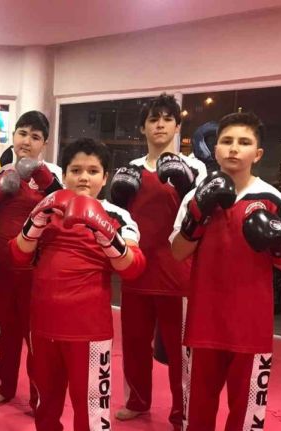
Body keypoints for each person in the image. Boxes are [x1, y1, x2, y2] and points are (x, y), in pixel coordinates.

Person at [170, 112, 281, 431]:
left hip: (252, 323)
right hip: (204, 319)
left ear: (258, 153)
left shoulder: (272, 198)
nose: (234, 148)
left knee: (247, 411)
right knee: (197, 408)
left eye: (244, 142)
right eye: (226, 141)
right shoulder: (195, 196)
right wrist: (197, 218)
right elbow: (178, 252)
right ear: (215, 150)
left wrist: (279, 243)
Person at [11, 138, 147, 431]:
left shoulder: (117, 215)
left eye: (93, 171)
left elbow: (133, 267)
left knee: (92, 409)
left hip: (89, 330)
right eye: (76, 170)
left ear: (105, 177)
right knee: (45, 406)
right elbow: (18, 255)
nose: (84, 177)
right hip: (43, 325)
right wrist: (36, 221)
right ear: (64, 174)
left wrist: (106, 233)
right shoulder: (48, 209)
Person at [109, 94, 206, 429]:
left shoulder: (195, 168)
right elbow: (118, 219)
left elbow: (201, 216)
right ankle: (137, 401)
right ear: (143, 127)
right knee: (135, 344)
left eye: (167, 119)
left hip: (176, 273)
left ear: (177, 126)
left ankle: (182, 411)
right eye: (153, 119)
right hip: (137, 270)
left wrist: (186, 184)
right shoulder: (131, 170)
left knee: (180, 350)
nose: (160, 125)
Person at [0, 111, 62, 409]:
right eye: (22, 133)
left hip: (36, 269)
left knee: (35, 335)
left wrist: (45, 180)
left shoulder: (53, 175)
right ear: (13, 136)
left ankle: (39, 396)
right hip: (4, 266)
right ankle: (6, 387)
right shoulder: (2, 172)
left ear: (44, 143)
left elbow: (64, 212)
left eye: (35, 137)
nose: (27, 141)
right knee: (6, 331)